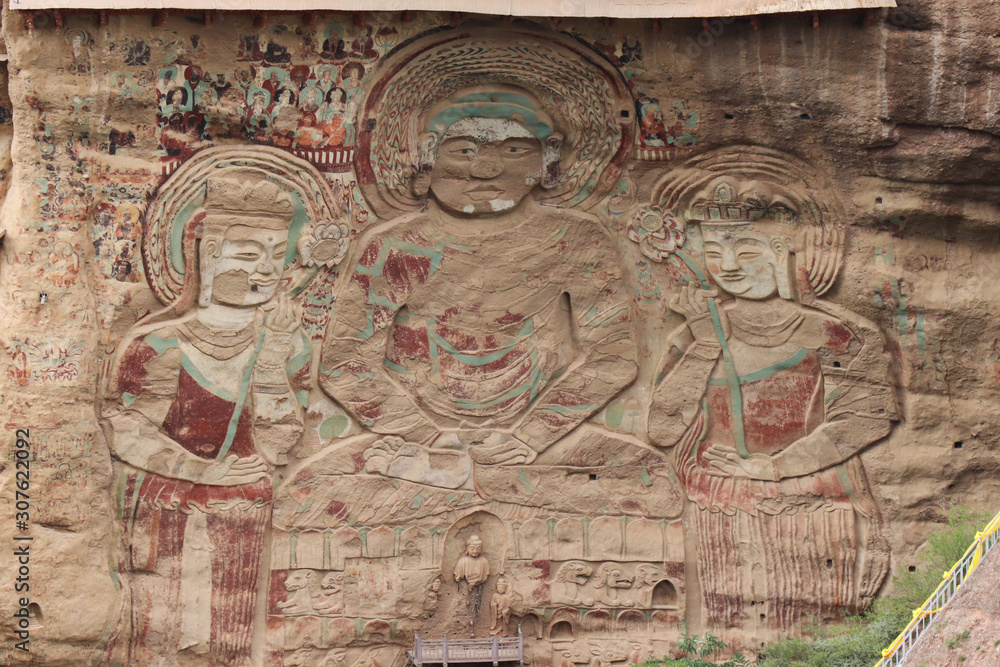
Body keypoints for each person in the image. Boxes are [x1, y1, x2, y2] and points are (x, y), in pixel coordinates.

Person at [320, 85, 636, 491]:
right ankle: (462, 477)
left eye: (514, 150)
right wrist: (428, 438)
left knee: (644, 476)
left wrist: (531, 437)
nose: (485, 170)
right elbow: (344, 362)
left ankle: (466, 479)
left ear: (550, 157)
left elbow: (613, 358)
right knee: (316, 486)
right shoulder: (396, 246)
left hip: (537, 438)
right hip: (414, 436)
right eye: (464, 151)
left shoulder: (575, 239)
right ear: (428, 155)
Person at [645, 147, 895, 644]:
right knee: (729, 636)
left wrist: (773, 467)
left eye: (747, 253)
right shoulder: (695, 334)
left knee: (817, 635)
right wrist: (706, 345)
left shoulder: (836, 334)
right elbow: (662, 430)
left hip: (811, 504)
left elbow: (864, 421)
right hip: (719, 504)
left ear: (785, 253)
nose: (729, 267)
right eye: (714, 254)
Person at [103, 176, 311, 665]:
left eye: (276, 255)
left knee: (229, 642)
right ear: (209, 254)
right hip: (169, 507)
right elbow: (125, 430)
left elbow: (279, 447)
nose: (266, 270)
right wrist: (203, 471)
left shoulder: (288, 344)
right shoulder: (161, 343)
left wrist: (270, 359)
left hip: (246, 512)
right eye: (247, 254)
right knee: (164, 639)